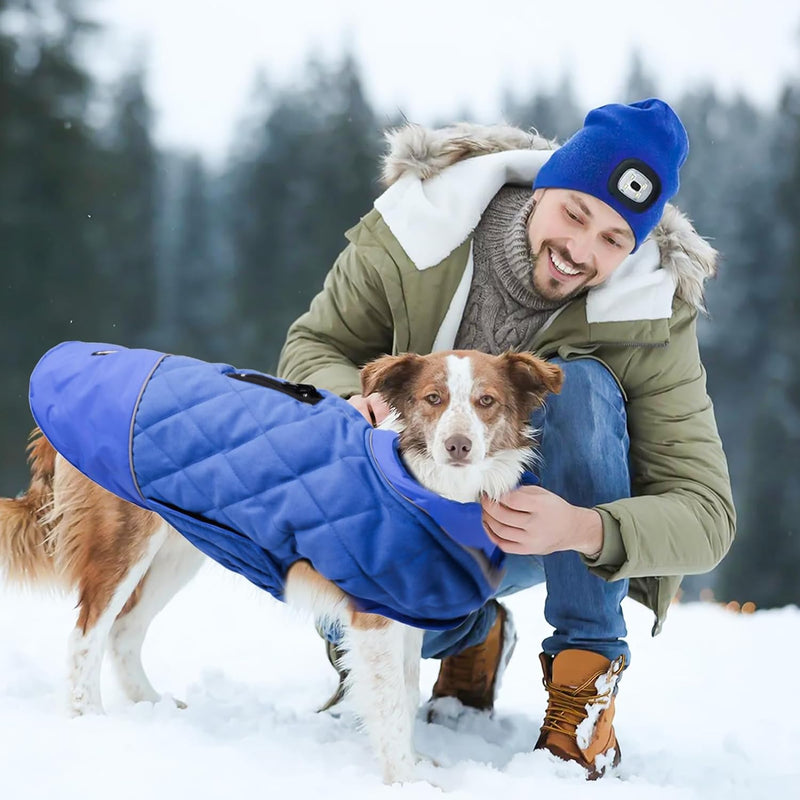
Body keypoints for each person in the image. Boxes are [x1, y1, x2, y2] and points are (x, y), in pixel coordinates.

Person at [277, 99, 735, 779]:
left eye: (614, 239)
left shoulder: (652, 317)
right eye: (575, 214)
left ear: (636, 247)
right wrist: (354, 398)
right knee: (339, 604)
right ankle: (472, 634)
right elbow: (314, 345)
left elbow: (708, 517)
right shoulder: (420, 230)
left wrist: (585, 527)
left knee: (578, 387)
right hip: (415, 501)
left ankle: (583, 694)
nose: (582, 250)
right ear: (542, 184)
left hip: (540, 524)